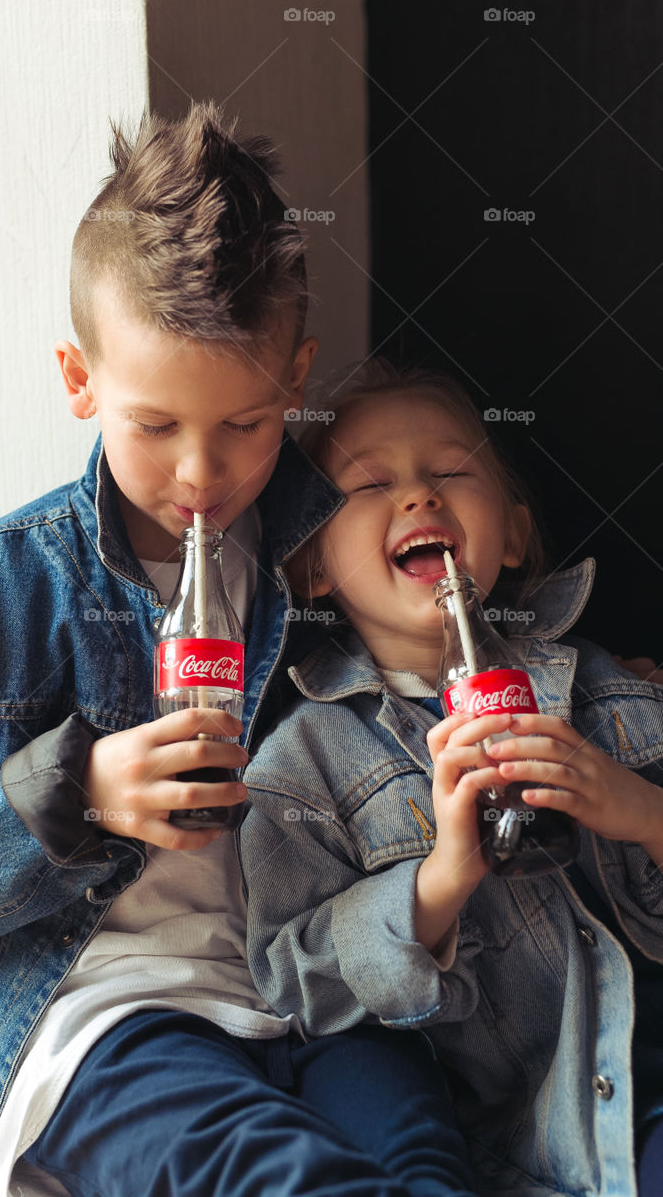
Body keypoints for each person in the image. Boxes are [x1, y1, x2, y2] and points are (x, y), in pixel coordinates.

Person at [0, 107, 478, 1197]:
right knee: (279, 1174)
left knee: (425, 1156)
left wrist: (591, 684)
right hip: (96, 1007)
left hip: (299, 985)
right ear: (81, 382)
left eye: (248, 425)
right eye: (154, 425)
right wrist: (73, 790)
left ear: (295, 380)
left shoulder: (319, 558)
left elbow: (450, 613)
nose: (201, 471)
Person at [241, 360, 663, 1197]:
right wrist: (438, 882)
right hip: (503, 1124)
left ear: (508, 534)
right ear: (312, 567)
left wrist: (641, 809)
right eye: (372, 484)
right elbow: (289, 985)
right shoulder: (305, 763)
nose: (418, 498)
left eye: (451, 471)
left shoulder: (606, 689)